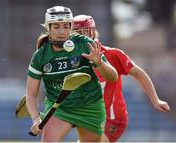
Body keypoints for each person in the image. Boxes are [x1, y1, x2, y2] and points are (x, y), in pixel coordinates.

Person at [26, 6, 118, 142]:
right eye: (56, 27)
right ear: (48, 28)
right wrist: (36, 118)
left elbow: (113, 77)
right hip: (59, 107)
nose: (62, 31)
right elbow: (31, 93)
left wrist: (100, 63)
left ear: (71, 27)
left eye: (66, 26)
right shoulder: (40, 56)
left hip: (90, 105)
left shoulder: (85, 44)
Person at [73, 15, 170, 142]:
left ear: (92, 33)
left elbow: (139, 73)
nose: (79, 38)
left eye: (83, 33)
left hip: (112, 119)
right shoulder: (71, 60)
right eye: (75, 34)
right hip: (90, 118)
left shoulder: (113, 54)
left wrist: (156, 100)